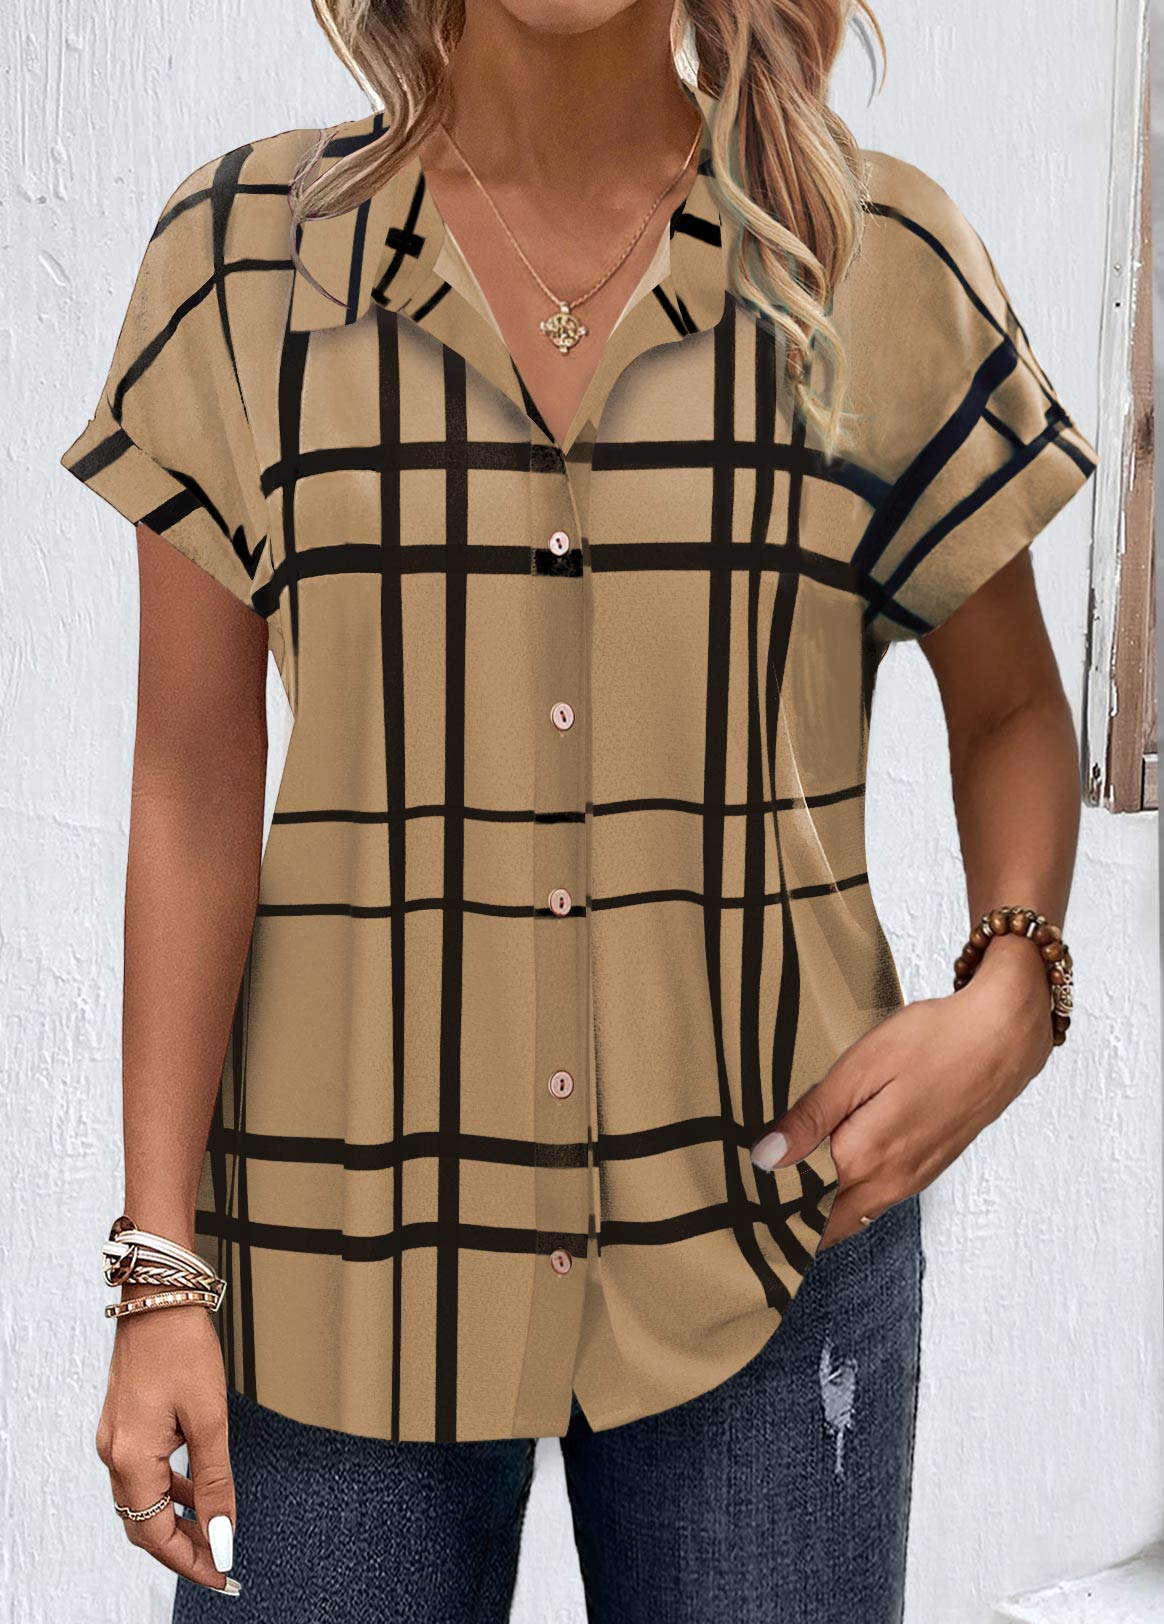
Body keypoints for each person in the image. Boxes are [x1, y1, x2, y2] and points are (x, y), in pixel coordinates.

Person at [60, 1, 1097, 1620]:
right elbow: (192, 786)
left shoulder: (873, 255)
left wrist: (1015, 983)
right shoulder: (243, 259)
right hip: (333, 1261)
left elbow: (1016, 706)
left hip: (775, 1241)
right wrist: (158, 1271)